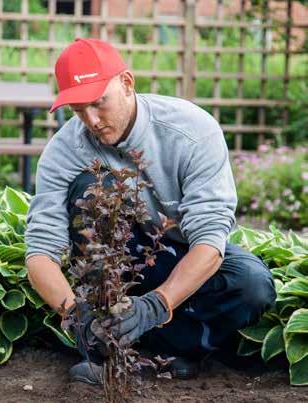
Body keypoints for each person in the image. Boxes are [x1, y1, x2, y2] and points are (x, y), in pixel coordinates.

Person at [25, 38, 276, 385]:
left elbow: (210, 239)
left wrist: (156, 306)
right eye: (78, 110)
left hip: (179, 257)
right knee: (93, 189)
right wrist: (75, 315)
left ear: (127, 83)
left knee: (252, 285)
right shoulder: (64, 151)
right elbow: (40, 252)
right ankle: (106, 345)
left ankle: (167, 351)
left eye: (99, 103)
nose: (91, 120)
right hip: (117, 271)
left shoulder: (191, 131)